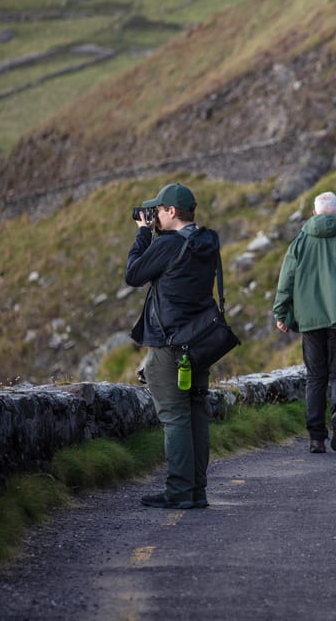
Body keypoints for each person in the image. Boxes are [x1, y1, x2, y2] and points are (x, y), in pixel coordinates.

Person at [125, 183, 221, 509]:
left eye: (158, 211)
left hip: (170, 344)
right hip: (200, 341)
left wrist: (142, 234)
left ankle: (179, 491)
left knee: (175, 416)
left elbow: (134, 274)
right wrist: (157, 234)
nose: (154, 216)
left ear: (171, 212)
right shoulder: (205, 241)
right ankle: (197, 490)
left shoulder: (167, 245)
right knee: (195, 412)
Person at [273, 191, 336, 454]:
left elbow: (286, 281)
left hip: (310, 319)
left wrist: (281, 313)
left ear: (314, 213)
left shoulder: (299, 242)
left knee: (315, 377)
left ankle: (316, 438)